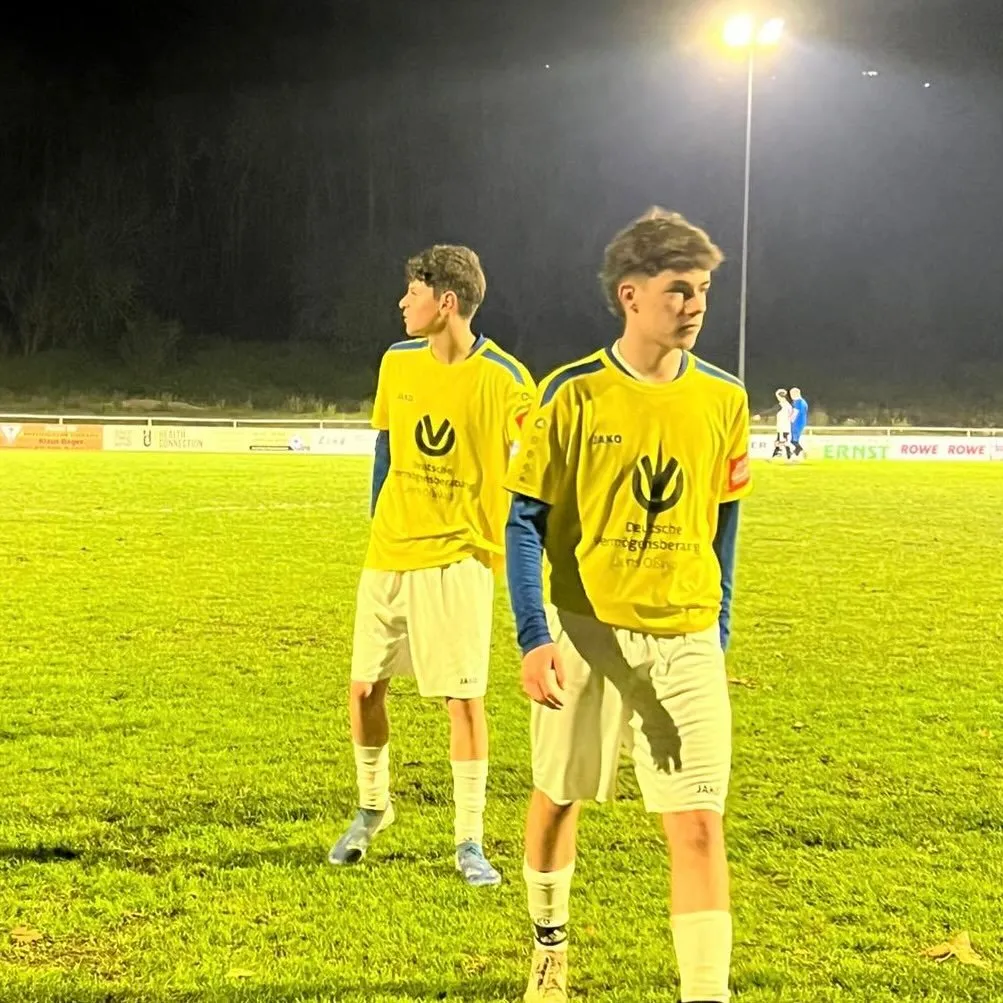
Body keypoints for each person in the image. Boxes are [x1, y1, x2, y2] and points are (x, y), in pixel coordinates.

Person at [505, 209, 752, 1002]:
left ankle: (705, 992)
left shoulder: (724, 397)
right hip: (584, 633)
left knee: (698, 822)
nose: (694, 304)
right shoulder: (571, 392)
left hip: (685, 639)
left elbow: (724, 523)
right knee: (557, 798)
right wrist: (534, 635)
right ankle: (549, 946)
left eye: (702, 289)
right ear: (630, 295)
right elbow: (523, 520)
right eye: (678, 288)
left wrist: (716, 627)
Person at [329, 244, 534, 887]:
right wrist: (379, 523)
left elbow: (537, 454)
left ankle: (469, 841)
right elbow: (386, 448)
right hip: (390, 553)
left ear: (445, 302)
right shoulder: (397, 361)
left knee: (462, 701)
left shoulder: (504, 377)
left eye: (412, 293)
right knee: (364, 689)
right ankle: (373, 808)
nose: (402, 303)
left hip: (459, 556)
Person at [772, 389, 793, 460]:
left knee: (782, 442)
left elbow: (772, 410)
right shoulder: (789, 405)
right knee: (781, 441)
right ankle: (782, 455)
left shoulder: (782, 405)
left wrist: (760, 415)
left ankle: (787, 456)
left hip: (782, 427)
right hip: (786, 426)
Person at [789, 387, 808, 458]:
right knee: (793, 440)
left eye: (791, 394)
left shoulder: (798, 402)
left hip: (797, 423)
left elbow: (795, 414)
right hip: (801, 422)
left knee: (793, 441)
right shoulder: (803, 402)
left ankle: (801, 451)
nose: (791, 396)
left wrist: (788, 420)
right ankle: (795, 455)